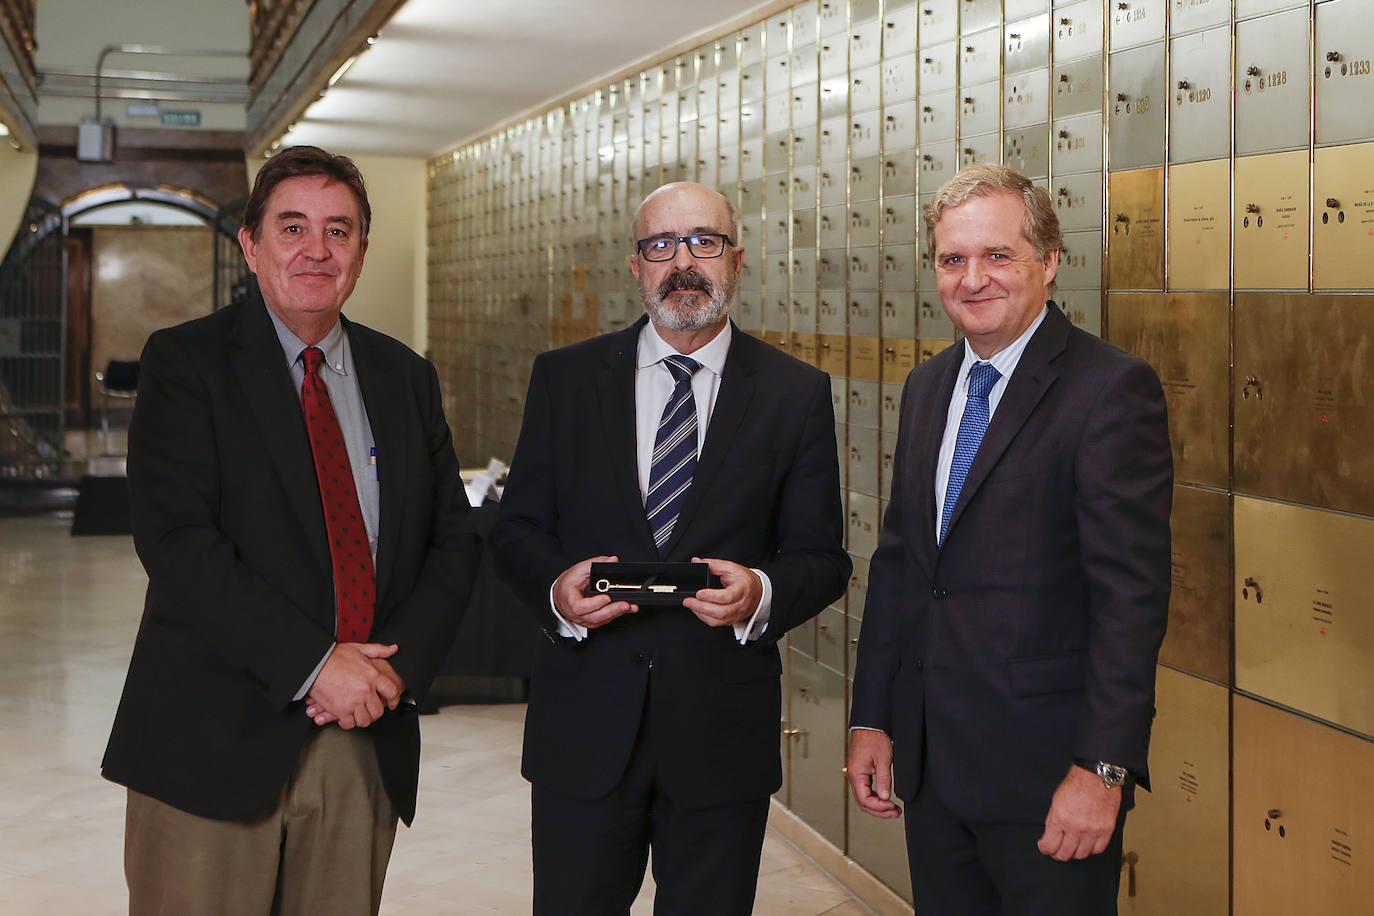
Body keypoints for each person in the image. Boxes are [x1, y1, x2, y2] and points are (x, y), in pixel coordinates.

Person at [101, 145, 479, 915]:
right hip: (212, 737)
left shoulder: (404, 376)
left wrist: (388, 677)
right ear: (251, 243)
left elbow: (453, 543)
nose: (317, 249)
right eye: (293, 227)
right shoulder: (185, 364)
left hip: (358, 741)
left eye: (339, 231)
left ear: (362, 252)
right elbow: (179, 544)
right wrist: (316, 664)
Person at [490, 181, 850, 915]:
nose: (684, 262)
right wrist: (558, 593)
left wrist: (760, 593)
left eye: (704, 242)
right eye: (661, 245)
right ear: (636, 266)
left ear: (737, 260)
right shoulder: (564, 380)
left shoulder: (795, 393)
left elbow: (822, 557)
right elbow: (516, 528)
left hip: (720, 737)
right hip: (584, 730)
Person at [847, 163, 1173, 914]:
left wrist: (1103, 769)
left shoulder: (1108, 390)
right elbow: (902, 568)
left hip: (1048, 779)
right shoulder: (928, 388)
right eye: (953, 259)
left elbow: (1131, 599)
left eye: (999, 256)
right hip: (933, 772)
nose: (973, 279)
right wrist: (873, 718)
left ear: (1049, 262)